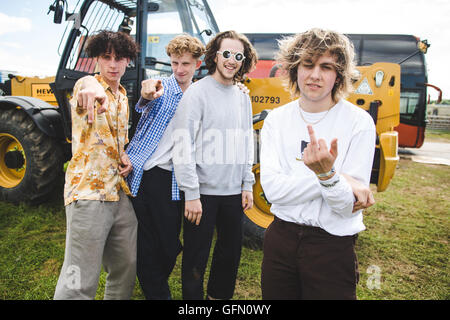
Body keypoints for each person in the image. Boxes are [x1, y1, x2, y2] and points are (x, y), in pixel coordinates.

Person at [260, 28, 376, 300]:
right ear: (293, 69)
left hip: (332, 245)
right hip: (281, 238)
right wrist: (336, 178)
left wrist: (327, 175)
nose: (314, 75)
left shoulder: (359, 123)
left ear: (339, 75)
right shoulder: (276, 121)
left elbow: (346, 207)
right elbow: (274, 192)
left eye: (326, 67)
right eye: (308, 64)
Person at [172, 30, 258, 300]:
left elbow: (247, 141)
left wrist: (247, 183)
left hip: (233, 193)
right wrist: (192, 193)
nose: (232, 61)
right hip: (203, 195)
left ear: (244, 61)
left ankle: (218, 298)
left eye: (238, 56)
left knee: (230, 253)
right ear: (215, 56)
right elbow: (183, 144)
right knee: (197, 256)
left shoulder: (243, 96)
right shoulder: (197, 93)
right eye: (227, 54)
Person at [54, 30, 139, 300]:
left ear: (128, 61)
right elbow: (85, 88)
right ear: (96, 59)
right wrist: (90, 84)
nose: (113, 64)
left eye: (119, 58)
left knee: (126, 265)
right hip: (89, 194)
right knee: (79, 277)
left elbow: (116, 139)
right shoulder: (89, 86)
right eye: (106, 57)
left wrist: (124, 155)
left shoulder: (123, 96)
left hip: (118, 192)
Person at [125, 34, 205, 300]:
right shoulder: (161, 87)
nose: (179, 70)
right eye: (174, 63)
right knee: (147, 243)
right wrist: (146, 95)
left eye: (185, 64)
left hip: (176, 178)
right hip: (148, 173)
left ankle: (153, 281)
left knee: (170, 245)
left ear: (198, 64)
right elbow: (145, 101)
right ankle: (157, 292)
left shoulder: (200, 94)